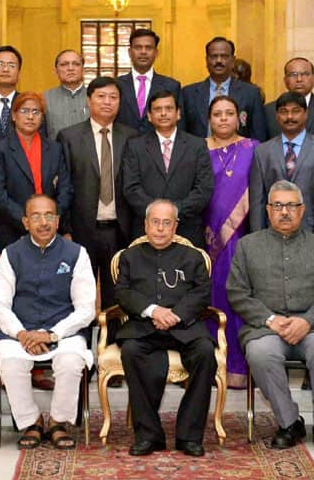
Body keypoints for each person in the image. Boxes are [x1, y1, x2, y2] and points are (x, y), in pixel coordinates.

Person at [228, 180, 314, 453]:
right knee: (260, 353)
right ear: (267, 210)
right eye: (278, 205)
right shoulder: (247, 246)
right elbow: (236, 293)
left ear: (302, 210)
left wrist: (307, 321)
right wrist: (270, 319)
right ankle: (290, 422)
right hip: (266, 328)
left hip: (313, 327)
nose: (284, 212)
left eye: (291, 206)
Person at [0, 195, 96, 450]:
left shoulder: (76, 254)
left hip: (63, 333)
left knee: (71, 362)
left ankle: (58, 423)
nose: (43, 222)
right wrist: (22, 334)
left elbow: (86, 309)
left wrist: (52, 334)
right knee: (11, 361)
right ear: (25, 222)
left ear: (58, 221)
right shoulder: (10, 254)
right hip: (20, 333)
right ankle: (32, 422)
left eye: (49, 215)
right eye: (36, 216)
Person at [115, 200, 216, 457]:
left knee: (205, 352)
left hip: (185, 328)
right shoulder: (129, 257)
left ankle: (189, 436)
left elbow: (202, 293)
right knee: (130, 351)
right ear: (146, 224)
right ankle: (149, 435)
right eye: (155, 222)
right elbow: (123, 293)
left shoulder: (193, 257)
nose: (160, 229)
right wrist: (153, 311)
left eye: (166, 223)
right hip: (144, 328)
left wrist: (176, 314)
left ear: (175, 226)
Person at [57, 77, 137, 318]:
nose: (107, 102)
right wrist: (66, 228)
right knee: (81, 292)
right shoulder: (69, 137)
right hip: (83, 229)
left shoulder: (131, 137)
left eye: (113, 97)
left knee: (118, 293)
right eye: (101, 96)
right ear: (88, 100)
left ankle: (112, 344)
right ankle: (83, 345)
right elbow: (65, 185)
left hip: (119, 229)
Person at [203, 96, 257, 389]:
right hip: (202, 236)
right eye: (217, 114)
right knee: (205, 299)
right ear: (209, 119)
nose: (223, 119)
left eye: (229, 113)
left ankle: (237, 366)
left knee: (234, 298)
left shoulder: (253, 149)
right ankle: (207, 367)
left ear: (240, 117)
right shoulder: (197, 149)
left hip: (240, 238)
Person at [121, 90, 214, 247]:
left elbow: (203, 189)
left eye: (169, 108)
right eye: (157, 109)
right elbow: (131, 188)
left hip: (187, 228)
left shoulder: (197, 145)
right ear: (149, 116)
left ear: (178, 113)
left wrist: (173, 213)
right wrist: (157, 215)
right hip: (147, 231)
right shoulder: (135, 146)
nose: (163, 113)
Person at [249, 92, 314, 247]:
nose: (290, 117)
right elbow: (257, 203)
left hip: (313, 235)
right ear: (277, 116)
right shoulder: (262, 151)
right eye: (284, 112)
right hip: (271, 236)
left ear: (306, 114)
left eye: (296, 111)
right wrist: (258, 243)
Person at [0, 91, 72, 253]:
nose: (30, 117)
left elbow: (65, 188)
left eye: (36, 112)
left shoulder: (54, 148)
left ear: (42, 118)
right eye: (24, 111)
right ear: (14, 116)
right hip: (11, 231)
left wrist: (50, 219)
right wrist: (28, 221)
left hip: (50, 231)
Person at [179, 37, 267, 142]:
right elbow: (182, 135)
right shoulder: (188, 93)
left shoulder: (251, 93)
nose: (219, 61)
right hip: (198, 156)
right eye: (214, 56)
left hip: (238, 156)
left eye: (224, 56)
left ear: (233, 60)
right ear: (206, 60)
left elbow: (258, 137)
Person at [116, 28, 182, 133]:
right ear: (129, 52)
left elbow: (179, 125)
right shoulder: (116, 85)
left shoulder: (172, 86)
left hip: (159, 147)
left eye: (148, 48)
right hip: (123, 147)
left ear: (156, 52)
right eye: (138, 47)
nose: (143, 52)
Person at [264, 58, 314, 140]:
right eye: (293, 74)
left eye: (305, 74)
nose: (299, 79)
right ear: (285, 80)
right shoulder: (269, 110)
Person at [43, 50, 89, 139]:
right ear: (56, 71)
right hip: (57, 152)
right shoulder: (44, 98)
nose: (70, 68)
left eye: (76, 64)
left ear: (83, 70)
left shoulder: (95, 97)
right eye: (64, 64)